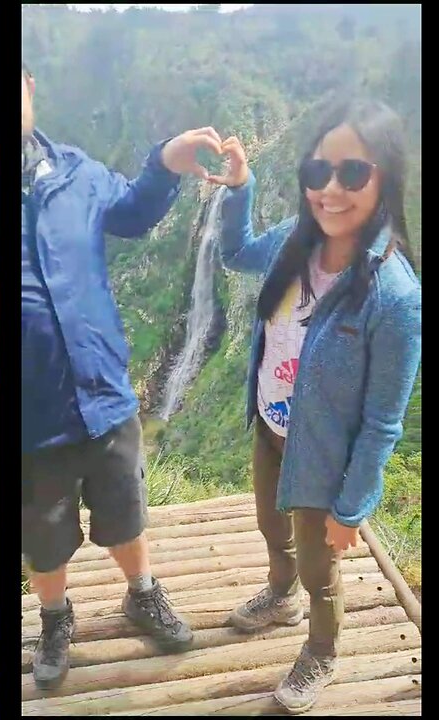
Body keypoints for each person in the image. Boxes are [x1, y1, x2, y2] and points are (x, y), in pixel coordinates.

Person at [205, 98, 421, 714]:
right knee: (272, 529)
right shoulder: (292, 245)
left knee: (322, 568)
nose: (330, 189)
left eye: (352, 173)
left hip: (324, 461)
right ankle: (280, 592)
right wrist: (241, 185)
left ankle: (321, 651)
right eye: (317, 171)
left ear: (384, 178)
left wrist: (352, 508)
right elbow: (235, 250)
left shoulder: (396, 296)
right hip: (271, 427)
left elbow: (384, 422)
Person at [21, 60, 224, 689]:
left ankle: (142, 592)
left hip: (105, 390)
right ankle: (55, 619)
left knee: (125, 504)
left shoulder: (80, 173)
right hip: (32, 412)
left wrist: (167, 159)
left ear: (27, 87)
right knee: (45, 530)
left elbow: (133, 215)